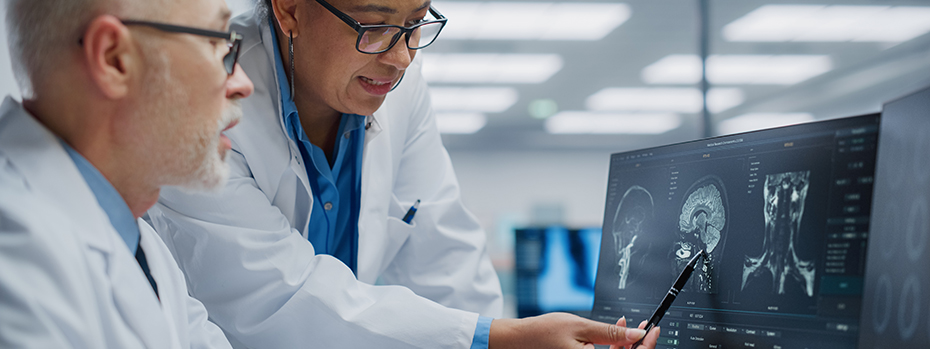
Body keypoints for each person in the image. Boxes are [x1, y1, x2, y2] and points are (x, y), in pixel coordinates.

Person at [146, 0, 660, 348]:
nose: (401, 58)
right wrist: (494, 339)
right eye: (373, 26)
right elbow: (277, 296)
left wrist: (501, 336)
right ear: (290, 9)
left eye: (416, 23)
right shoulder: (207, 87)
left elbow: (447, 259)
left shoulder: (398, 90)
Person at [0, 0, 254, 346]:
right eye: (216, 43)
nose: (242, 83)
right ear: (114, 59)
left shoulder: (136, 237)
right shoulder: (17, 259)